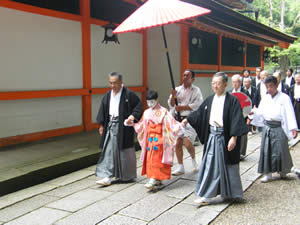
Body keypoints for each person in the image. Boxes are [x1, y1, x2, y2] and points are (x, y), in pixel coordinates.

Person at [184, 72, 248, 205]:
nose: (215, 86)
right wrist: (187, 119)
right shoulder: (209, 100)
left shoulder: (232, 101)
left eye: (218, 83)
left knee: (230, 166)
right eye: (213, 83)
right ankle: (206, 195)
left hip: (226, 137)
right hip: (213, 137)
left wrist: (234, 138)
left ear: (225, 84)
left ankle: (232, 193)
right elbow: (199, 114)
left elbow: (237, 120)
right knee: (210, 166)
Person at [95, 72, 143, 186]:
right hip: (111, 125)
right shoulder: (108, 95)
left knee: (124, 151)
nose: (112, 85)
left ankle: (127, 176)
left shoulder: (129, 94)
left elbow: (138, 106)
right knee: (109, 150)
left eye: (115, 83)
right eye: (111, 83)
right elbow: (103, 111)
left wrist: (133, 116)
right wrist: (101, 125)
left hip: (123, 127)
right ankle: (107, 176)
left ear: (121, 82)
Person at [250, 76, 298, 183]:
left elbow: (290, 113)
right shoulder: (266, 98)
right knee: (266, 150)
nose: (269, 89)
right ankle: (268, 173)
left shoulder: (284, 98)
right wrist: (254, 112)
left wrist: (293, 128)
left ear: (276, 85)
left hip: (279, 126)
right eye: (267, 87)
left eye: (271, 86)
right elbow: (261, 111)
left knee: (281, 149)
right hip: (268, 126)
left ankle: (283, 171)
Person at [130, 90, 182, 190]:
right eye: (148, 102)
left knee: (157, 160)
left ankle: (154, 179)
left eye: (152, 102)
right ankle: (156, 179)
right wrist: (133, 124)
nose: (150, 104)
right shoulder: (146, 112)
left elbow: (171, 124)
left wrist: (179, 125)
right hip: (150, 140)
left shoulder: (164, 111)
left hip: (160, 139)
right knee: (150, 159)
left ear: (157, 100)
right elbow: (141, 125)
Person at [168, 69, 203, 176]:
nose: (185, 77)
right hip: (178, 119)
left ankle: (193, 160)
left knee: (188, 144)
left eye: (187, 76)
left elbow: (198, 105)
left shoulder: (196, 90)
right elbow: (171, 104)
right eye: (184, 75)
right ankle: (180, 166)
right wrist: (173, 95)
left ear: (193, 79)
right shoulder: (177, 89)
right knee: (177, 144)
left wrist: (182, 107)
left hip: (190, 119)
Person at [231, 74, 250, 160]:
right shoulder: (229, 92)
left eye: (236, 82)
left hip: (243, 115)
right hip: (232, 116)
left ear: (240, 83)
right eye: (233, 82)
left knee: (243, 134)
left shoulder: (245, 92)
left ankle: (241, 153)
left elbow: (248, 104)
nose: (234, 84)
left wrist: (249, 117)